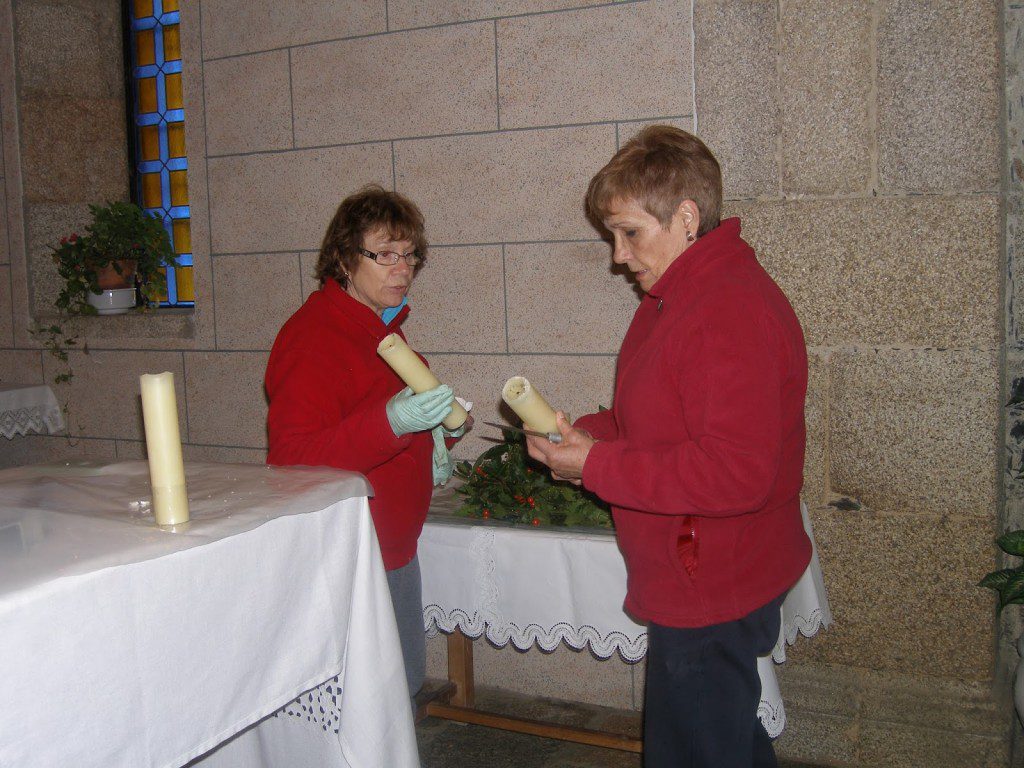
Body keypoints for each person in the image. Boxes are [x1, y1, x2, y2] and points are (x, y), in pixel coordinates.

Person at [525, 126, 812, 768]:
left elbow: (736, 473)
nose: (619, 257)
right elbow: (661, 419)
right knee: (719, 741)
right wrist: (589, 434)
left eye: (630, 233)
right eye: (613, 236)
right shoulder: (681, 295)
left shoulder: (724, 309)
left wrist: (596, 464)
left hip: (711, 576)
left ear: (685, 218)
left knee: (700, 750)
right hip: (700, 569)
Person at [265, 184, 468, 703]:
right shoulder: (314, 337)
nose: (402, 268)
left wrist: (436, 439)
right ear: (344, 258)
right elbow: (292, 460)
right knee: (378, 702)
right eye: (385, 254)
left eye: (410, 255)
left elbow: (387, 426)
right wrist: (393, 423)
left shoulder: (385, 335)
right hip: (352, 550)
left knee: (400, 690)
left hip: (392, 544)